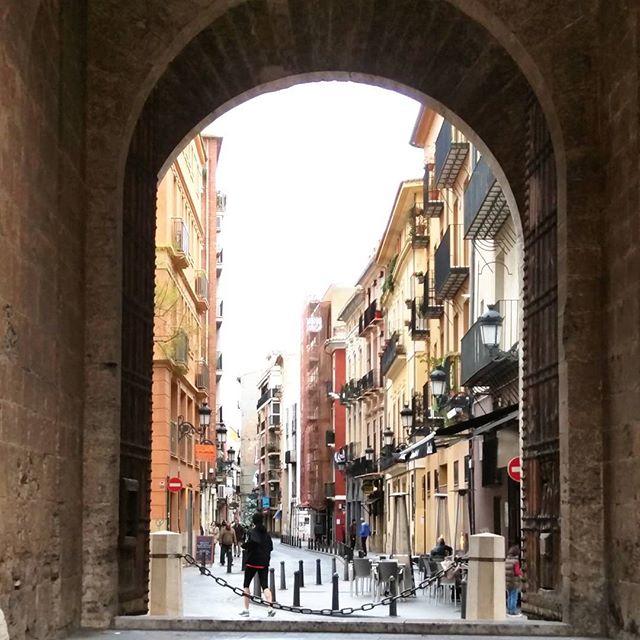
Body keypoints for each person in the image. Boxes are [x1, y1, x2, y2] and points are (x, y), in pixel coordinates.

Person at [239, 512, 275, 617]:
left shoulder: (252, 532)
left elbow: (253, 543)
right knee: (265, 586)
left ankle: (246, 610)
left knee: (246, 585)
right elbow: (271, 548)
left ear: (254, 521)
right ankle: (270, 608)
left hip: (251, 562)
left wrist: (245, 546)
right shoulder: (267, 534)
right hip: (263, 563)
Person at [505, 545, 522, 615]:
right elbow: (517, 572)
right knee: (514, 596)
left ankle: (509, 609)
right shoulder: (516, 562)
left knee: (509, 595)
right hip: (514, 581)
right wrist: (521, 572)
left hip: (508, 581)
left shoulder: (507, 560)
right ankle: (513, 610)